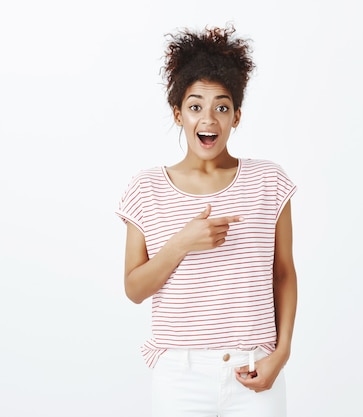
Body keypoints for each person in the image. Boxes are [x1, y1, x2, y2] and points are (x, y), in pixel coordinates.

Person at [115, 24, 297, 417]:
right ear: (178, 114)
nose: (209, 119)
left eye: (222, 106)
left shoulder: (269, 181)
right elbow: (134, 288)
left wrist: (280, 355)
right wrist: (182, 242)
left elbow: (283, 273)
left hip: (255, 368)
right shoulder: (145, 188)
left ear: (237, 116)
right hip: (179, 375)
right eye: (196, 106)